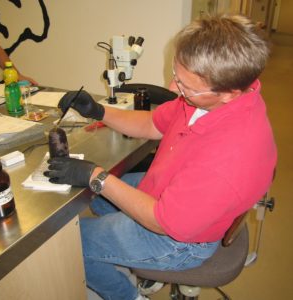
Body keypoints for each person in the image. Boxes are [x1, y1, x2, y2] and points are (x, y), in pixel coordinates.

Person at [45, 14, 277, 300]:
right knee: (99, 200)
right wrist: (98, 111)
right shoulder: (211, 99)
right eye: (177, 77)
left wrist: (96, 176)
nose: (172, 88)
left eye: (185, 87)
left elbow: (161, 220)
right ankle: (120, 256)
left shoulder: (231, 156)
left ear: (228, 93)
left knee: (72, 244)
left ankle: (129, 296)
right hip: (172, 192)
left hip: (177, 239)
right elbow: (152, 123)